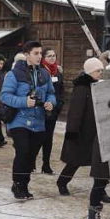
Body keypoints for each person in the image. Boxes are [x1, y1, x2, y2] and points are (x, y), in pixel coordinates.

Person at [56, 58, 110, 219]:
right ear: (89, 72)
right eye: (97, 71)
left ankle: (101, 191)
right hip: (82, 132)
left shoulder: (98, 85)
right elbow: (75, 112)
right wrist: (72, 132)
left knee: (99, 165)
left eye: (101, 70)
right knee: (75, 160)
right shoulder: (82, 87)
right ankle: (62, 182)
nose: (100, 73)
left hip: (96, 131)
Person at [2, 41, 56, 200]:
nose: (40, 56)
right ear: (27, 55)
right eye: (36, 53)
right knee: (22, 152)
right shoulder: (14, 74)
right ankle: (17, 184)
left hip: (38, 121)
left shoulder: (44, 74)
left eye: (41, 53)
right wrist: (24, 101)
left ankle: (24, 184)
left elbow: (52, 93)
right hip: (19, 120)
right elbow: (4, 96)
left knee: (31, 156)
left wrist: (50, 103)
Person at [34, 47, 64, 175]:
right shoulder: (40, 71)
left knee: (48, 139)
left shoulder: (58, 72)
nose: (52, 58)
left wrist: (58, 105)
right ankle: (31, 162)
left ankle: (46, 164)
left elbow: (61, 91)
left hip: (53, 110)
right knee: (38, 137)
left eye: (54, 56)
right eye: (49, 56)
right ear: (44, 59)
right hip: (40, 109)